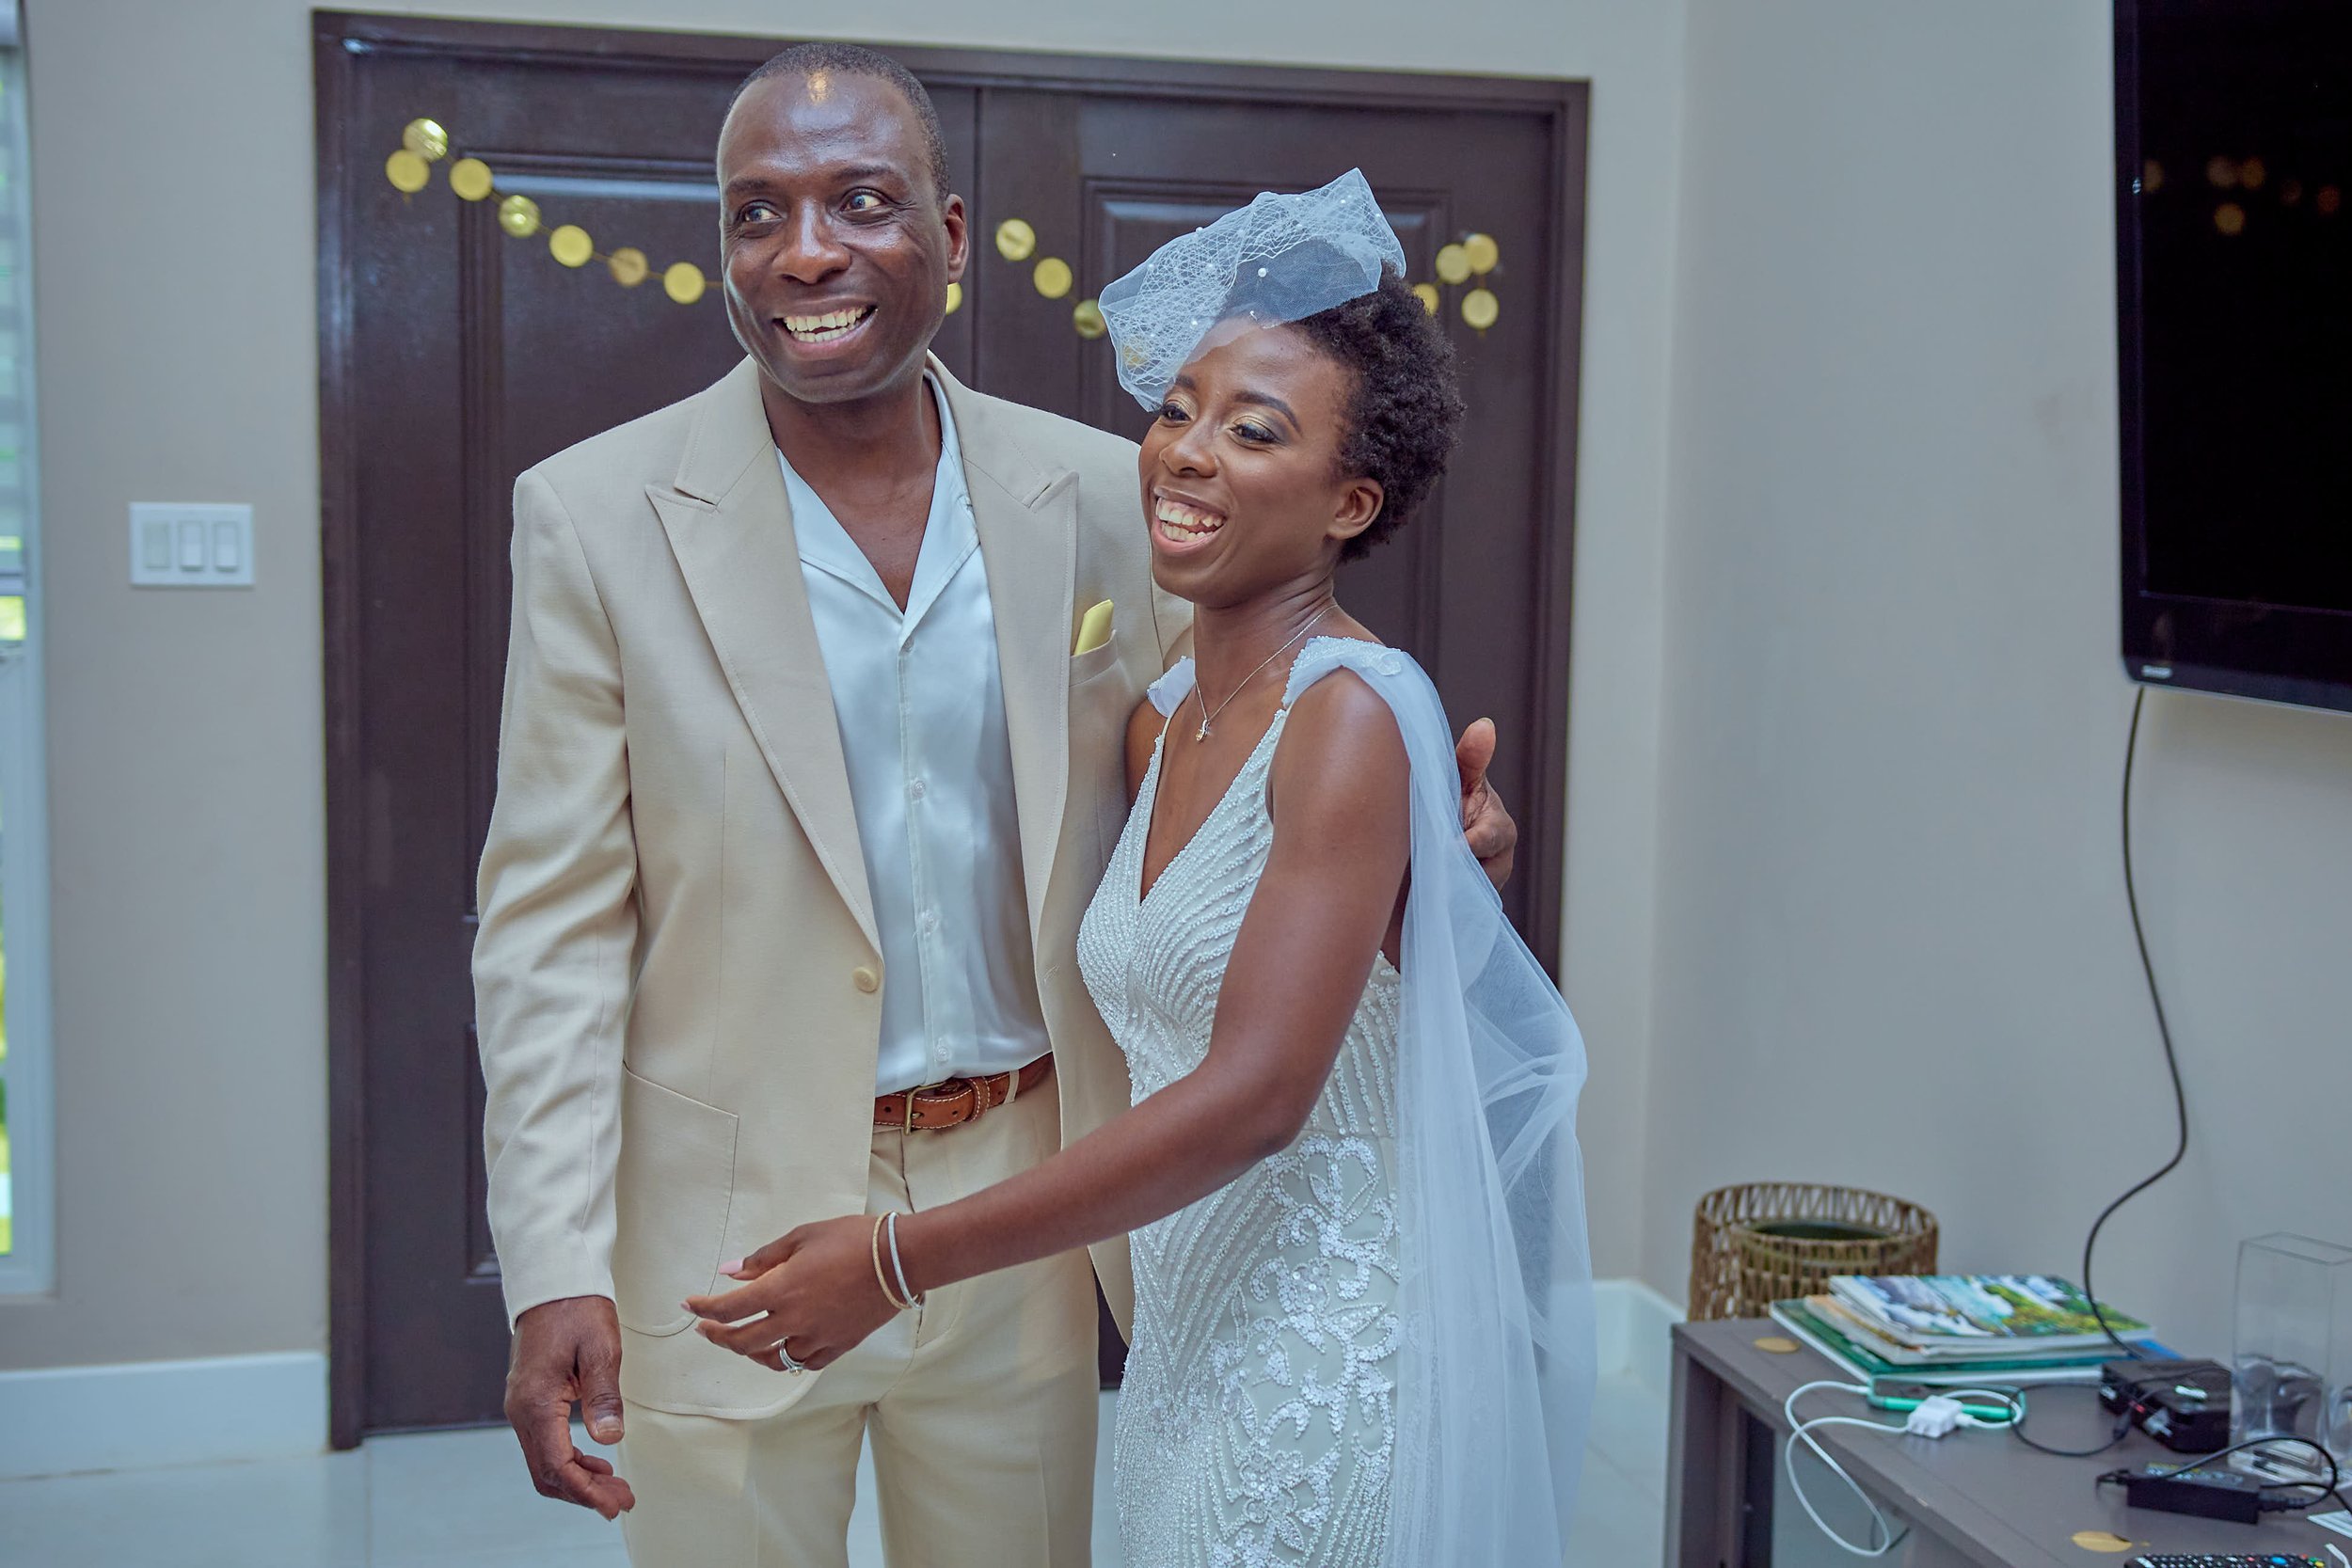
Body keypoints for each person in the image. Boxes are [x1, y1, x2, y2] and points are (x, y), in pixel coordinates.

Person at [472, 46, 1521, 1568]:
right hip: (724, 1236)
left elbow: (1259, 748)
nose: (807, 251)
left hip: (1031, 1202)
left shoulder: (1109, 492)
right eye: (757, 212)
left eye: (861, 201)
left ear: (952, 241)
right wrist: (552, 1266)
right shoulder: (591, 516)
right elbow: (548, 933)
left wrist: (1441, 845)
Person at [684, 172, 1594, 1568]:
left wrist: (893, 1258)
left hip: (1322, 1361)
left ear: (1354, 498)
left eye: (1255, 430)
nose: (1186, 453)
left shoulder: (1354, 713)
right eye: (1178, 410)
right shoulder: (1160, 722)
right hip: (1183, 1332)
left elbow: (1253, 1100)